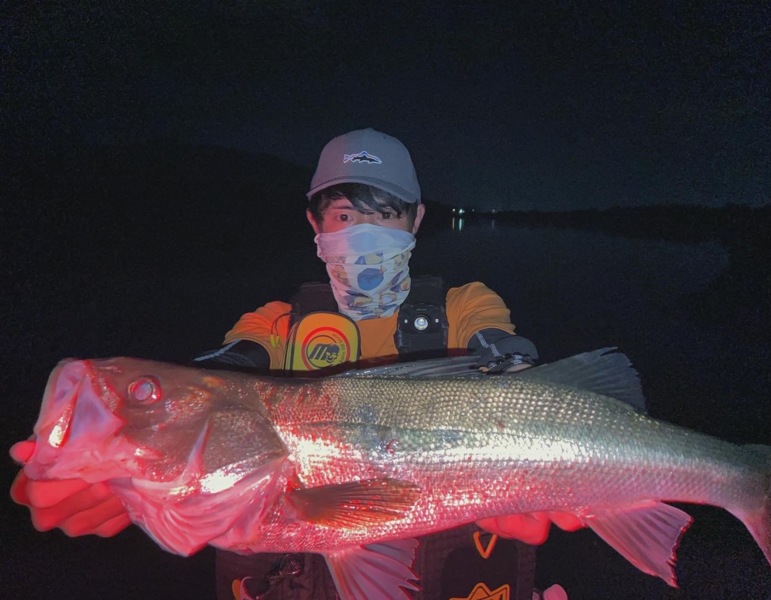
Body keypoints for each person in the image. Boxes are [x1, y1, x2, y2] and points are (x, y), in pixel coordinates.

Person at [11, 128, 582, 599]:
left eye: (383, 214)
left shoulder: (466, 307)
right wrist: (132, 465)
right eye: (341, 215)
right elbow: (225, 371)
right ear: (315, 226)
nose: (362, 234)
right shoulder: (274, 323)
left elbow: (510, 367)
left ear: (415, 221)